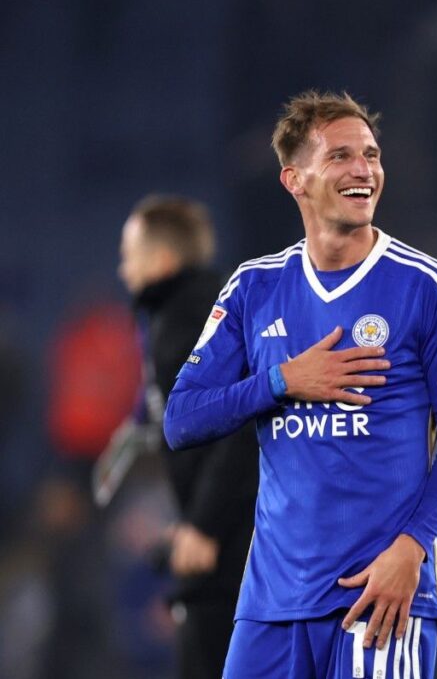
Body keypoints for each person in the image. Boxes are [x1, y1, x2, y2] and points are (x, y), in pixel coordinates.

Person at [163, 90, 437, 679]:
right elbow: (181, 420)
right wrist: (280, 381)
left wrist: (412, 548)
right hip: (270, 602)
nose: (364, 169)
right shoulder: (253, 287)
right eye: (341, 156)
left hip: (379, 596)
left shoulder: (430, 286)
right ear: (295, 179)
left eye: (371, 154)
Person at [116, 194, 260, 679]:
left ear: (161, 260)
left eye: (128, 256)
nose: (123, 270)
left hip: (234, 545)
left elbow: (239, 424)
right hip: (227, 536)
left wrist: (203, 523)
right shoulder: (176, 314)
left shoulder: (196, 317)